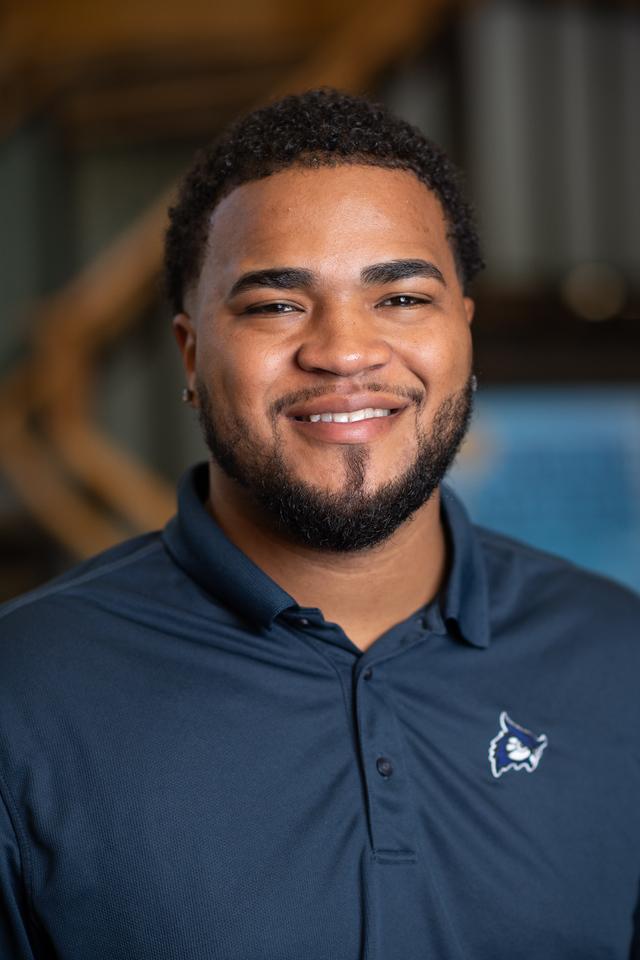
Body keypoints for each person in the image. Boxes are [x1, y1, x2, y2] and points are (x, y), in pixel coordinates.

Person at [0, 88, 638, 960]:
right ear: (190, 353)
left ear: (464, 333)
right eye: (274, 305)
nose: (343, 350)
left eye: (403, 298)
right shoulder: (24, 691)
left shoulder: (619, 657)